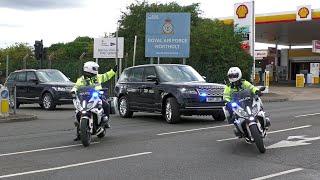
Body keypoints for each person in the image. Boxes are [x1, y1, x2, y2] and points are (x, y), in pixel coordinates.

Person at [72, 61, 117, 141]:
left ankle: (105, 122)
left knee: (106, 105)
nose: (96, 70)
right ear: (89, 69)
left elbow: (106, 76)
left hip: (97, 96)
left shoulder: (98, 77)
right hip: (84, 98)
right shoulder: (80, 80)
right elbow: (76, 87)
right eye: (95, 68)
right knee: (78, 111)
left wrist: (113, 71)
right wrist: (73, 91)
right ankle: (79, 133)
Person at [223, 67, 270, 136]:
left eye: (235, 75)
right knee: (230, 111)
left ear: (239, 75)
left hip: (247, 100)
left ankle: (263, 118)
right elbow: (226, 96)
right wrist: (227, 102)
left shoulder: (244, 82)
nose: (233, 77)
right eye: (231, 76)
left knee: (257, 100)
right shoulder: (228, 86)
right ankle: (237, 127)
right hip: (237, 103)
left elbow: (251, 87)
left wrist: (257, 91)